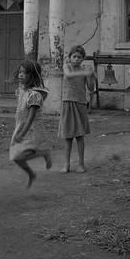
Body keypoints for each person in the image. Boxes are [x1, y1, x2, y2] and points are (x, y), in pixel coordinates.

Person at [9, 59, 52, 188]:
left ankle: (44, 153)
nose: (21, 75)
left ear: (32, 76)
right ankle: (31, 174)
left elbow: (31, 117)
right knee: (15, 157)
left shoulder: (34, 95)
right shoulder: (23, 90)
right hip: (21, 126)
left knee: (19, 155)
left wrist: (22, 133)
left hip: (31, 129)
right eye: (20, 72)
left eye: (25, 73)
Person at [58, 45, 95, 174]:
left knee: (80, 136)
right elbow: (68, 75)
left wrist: (91, 77)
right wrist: (85, 72)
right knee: (68, 137)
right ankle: (66, 164)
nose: (76, 59)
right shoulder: (66, 67)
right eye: (74, 56)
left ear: (83, 59)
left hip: (80, 104)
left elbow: (90, 88)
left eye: (79, 57)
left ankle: (81, 164)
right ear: (69, 57)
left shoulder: (85, 70)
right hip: (68, 103)